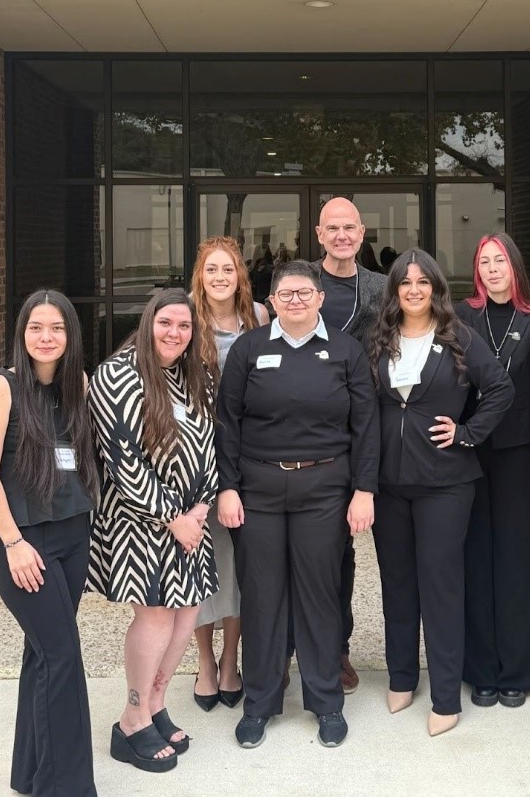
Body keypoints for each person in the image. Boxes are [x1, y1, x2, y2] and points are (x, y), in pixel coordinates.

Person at [215, 259, 380, 750]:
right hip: (259, 492)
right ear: (272, 301)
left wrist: (365, 490)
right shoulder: (250, 348)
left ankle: (326, 700)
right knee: (262, 598)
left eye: (304, 293)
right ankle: (260, 703)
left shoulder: (345, 351)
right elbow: (227, 422)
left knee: (319, 595)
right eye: (285, 294)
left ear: (320, 299)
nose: (295, 301)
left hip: (325, 490)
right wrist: (227, 487)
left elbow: (366, 427)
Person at [369, 250, 515, 737]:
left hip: (446, 484)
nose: (413, 290)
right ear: (394, 291)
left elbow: (500, 388)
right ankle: (402, 676)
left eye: (422, 282)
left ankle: (447, 694)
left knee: (441, 585)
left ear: (435, 288)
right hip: (390, 483)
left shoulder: (458, 337)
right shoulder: (379, 339)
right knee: (397, 582)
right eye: (404, 283)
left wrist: (468, 432)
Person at [0, 289, 98, 797]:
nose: (46, 338)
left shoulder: (78, 387)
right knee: (63, 657)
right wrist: (12, 542)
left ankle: (29, 773)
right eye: (35, 328)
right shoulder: (1, 388)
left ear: (70, 335)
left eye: (57, 328)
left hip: (73, 537)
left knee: (43, 655)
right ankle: (63, 787)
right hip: (25, 544)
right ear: (21, 334)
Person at [87, 288, 218, 774]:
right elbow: (124, 462)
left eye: (184, 326)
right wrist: (173, 517)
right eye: (166, 323)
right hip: (142, 523)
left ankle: (157, 704)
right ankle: (131, 721)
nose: (175, 333)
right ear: (149, 324)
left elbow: (210, 440)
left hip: (191, 520)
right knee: (157, 616)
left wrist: (201, 506)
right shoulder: (117, 375)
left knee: (188, 612)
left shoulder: (194, 374)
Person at [456, 232, 530, 707]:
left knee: (514, 559)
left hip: (514, 451)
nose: (492, 268)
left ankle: (516, 670)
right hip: (468, 450)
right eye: (484, 261)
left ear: (514, 265)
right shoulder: (461, 315)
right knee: (475, 556)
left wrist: (514, 426)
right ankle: (481, 671)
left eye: (500, 260)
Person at [189, 236, 269, 713]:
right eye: (211, 270)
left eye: (228, 269)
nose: (220, 277)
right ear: (200, 275)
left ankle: (230, 661)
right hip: (197, 457)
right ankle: (202, 661)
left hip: (247, 454)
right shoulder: (185, 318)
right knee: (200, 560)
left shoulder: (259, 317)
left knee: (238, 564)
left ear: (240, 274)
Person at [314, 195, 387, 692]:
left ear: (363, 234)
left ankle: (338, 650)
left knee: (341, 554)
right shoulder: (297, 286)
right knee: (291, 554)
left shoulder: (383, 289)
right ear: (319, 234)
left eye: (350, 228)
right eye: (332, 228)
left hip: (357, 432)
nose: (342, 235)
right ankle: (288, 648)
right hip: (300, 435)